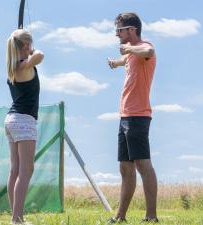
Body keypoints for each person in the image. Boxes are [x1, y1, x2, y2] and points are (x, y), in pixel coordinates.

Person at [107, 12, 158, 223]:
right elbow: (125, 59)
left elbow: (149, 51)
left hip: (138, 115)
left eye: (119, 30)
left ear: (131, 30)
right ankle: (120, 216)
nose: (116, 34)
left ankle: (151, 216)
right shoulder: (130, 55)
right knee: (125, 167)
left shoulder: (143, 47)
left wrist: (128, 49)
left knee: (143, 165)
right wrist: (116, 63)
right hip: (125, 116)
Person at [4, 29, 44, 224]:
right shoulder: (24, 66)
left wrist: (26, 48)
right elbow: (40, 55)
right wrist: (31, 50)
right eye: (29, 43)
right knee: (26, 170)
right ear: (26, 45)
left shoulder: (14, 67)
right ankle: (17, 219)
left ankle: (15, 215)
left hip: (11, 120)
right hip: (24, 121)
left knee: (15, 170)